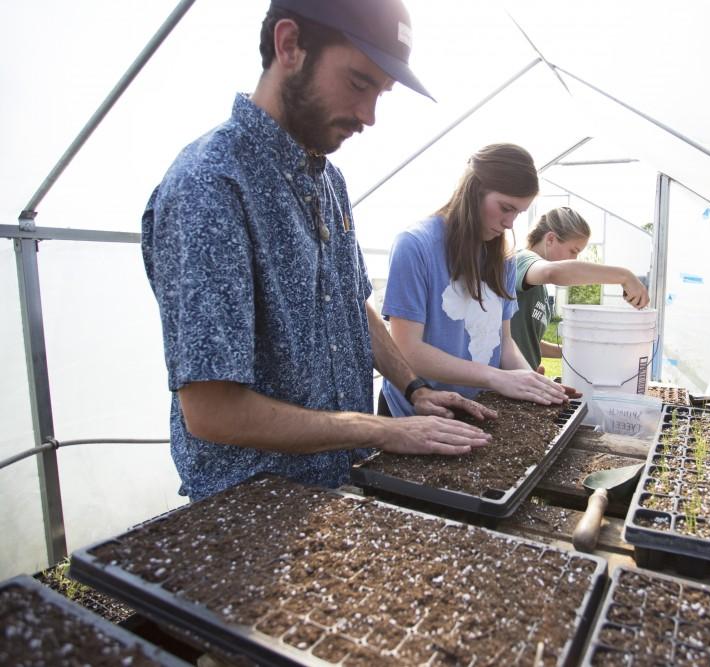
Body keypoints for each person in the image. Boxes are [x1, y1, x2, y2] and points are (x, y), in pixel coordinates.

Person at [141, 0, 497, 502]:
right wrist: (380, 430)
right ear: (290, 45)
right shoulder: (210, 186)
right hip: (251, 509)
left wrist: (415, 388)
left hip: (337, 488)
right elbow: (212, 411)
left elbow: (353, 306)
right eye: (358, 83)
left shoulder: (328, 179)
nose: (369, 115)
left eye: (381, 92)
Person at [380, 143, 574, 417]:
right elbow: (407, 350)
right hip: (417, 414)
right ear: (474, 189)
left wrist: (534, 382)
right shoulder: (415, 246)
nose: (509, 223)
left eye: (518, 212)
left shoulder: (503, 258)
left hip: (475, 409)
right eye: (505, 208)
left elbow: (504, 343)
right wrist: (494, 378)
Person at [511, 207, 651, 372]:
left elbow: (527, 341)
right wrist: (624, 276)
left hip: (523, 384)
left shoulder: (539, 289)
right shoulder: (521, 259)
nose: (574, 259)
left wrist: (570, 351)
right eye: (573, 251)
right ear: (550, 239)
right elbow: (553, 272)